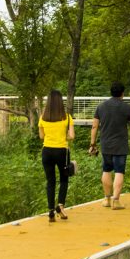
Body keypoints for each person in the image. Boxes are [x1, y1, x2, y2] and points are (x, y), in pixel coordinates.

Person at [88, 81, 130, 210]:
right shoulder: (127, 108)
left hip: (105, 144)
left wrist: (93, 144)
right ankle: (116, 201)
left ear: (111, 92)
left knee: (106, 170)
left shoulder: (101, 107)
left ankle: (106, 199)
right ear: (122, 93)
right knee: (119, 171)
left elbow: (94, 126)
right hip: (120, 145)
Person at [38, 90, 74, 223]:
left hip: (47, 151)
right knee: (64, 180)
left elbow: (41, 136)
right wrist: (63, 136)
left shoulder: (42, 117)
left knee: (50, 181)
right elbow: (72, 136)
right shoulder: (67, 117)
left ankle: (50, 212)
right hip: (62, 151)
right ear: (60, 102)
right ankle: (60, 206)